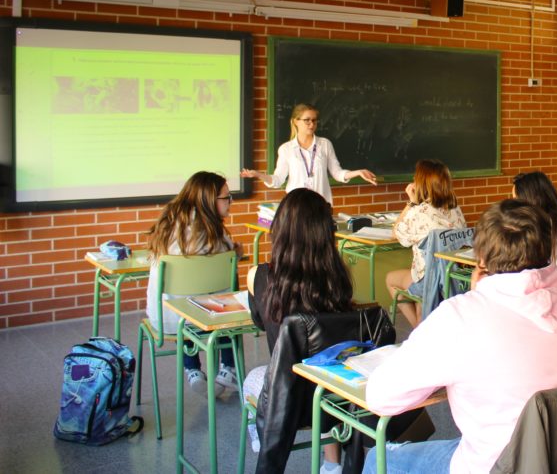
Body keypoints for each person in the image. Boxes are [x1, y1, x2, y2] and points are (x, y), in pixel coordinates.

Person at [363, 199, 557, 474]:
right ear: (548, 246)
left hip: (495, 465)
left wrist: (476, 295)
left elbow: (380, 397)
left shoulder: (462, 316)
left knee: (378, 458)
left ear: (481, 258)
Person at [245, 188, 355, 473]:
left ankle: (264, 441)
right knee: (318, 374)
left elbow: (260, 322)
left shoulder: (259, 276)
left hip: (286, 401)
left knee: (252, 379)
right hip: (335, 397)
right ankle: (331, 465)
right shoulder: (339, 279)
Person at [145, 171, 238, 396]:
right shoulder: (215, 234)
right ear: (208, 200)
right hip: (210, 319)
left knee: (185, 306)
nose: (230, 203)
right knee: (226, 304)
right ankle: (229, 368)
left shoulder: (166, 224)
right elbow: (227, 267)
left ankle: (192, 369)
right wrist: (236, 251)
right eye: (226, 197)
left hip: (166, 319)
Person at [241, 103, 377, 205]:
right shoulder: (286, 149)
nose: (311, 124)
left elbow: (337, 173)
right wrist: (258, 175)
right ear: (296, 121)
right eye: (307, 120)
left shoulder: (325, 144)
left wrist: (358, 172)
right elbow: (277, 180)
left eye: (314, 120)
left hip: (321, 205)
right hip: (296, 207)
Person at [385, 158, 467, 327]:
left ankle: (418, 329)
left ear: (421, 183)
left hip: (428, 281)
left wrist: (411, 203)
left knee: (391, 279)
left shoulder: (419, 211)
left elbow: (395, 234)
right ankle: (423, 329)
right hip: (453, 278)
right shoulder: (455, 209)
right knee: (418, 276)